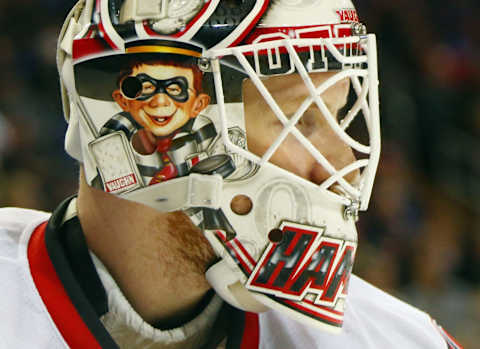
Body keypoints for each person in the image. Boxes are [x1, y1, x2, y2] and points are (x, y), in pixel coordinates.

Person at [0, 0, 463, 348]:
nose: (342, 162)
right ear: (149, 122)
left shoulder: (396, 339)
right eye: (299, 119)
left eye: (340, 116)